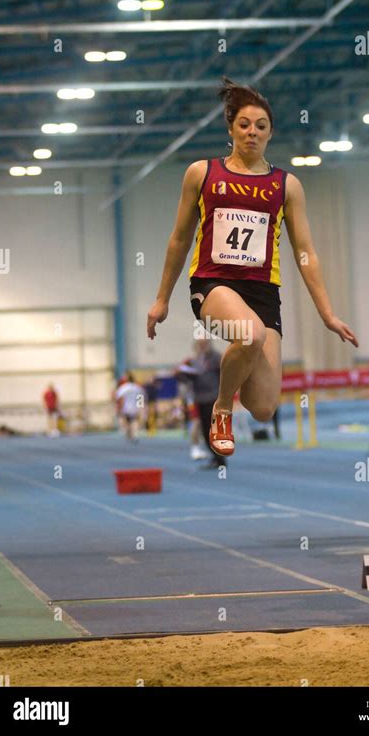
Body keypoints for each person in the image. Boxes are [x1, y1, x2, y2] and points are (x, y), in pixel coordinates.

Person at [147, 76, 358, 458]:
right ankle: (222, 408)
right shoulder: (202, 173)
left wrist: (327, 313)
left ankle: (239, 386)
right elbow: (179, 239)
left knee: (263, 408)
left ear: (271, 133)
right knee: (249, 334)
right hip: (213, 285)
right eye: (244, 125)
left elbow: (305, 251)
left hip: (263, 292)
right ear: (230, 129)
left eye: (261, 127)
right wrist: (161, 299)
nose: (251, 133)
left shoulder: (286, 185)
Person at [176, 340, 223, 468]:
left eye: (204, 345)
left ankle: (220, 458)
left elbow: (225, 373)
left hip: (213, 398)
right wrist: (182, 374)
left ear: (209, 345)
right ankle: (215, 457)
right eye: (199, 345)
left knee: (214, 430)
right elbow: (186, 379)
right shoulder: (195, 360)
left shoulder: (216, 358)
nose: (201, 347)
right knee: (205, 430)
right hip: (200, 398)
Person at [115, 373, 145, 442]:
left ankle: (129, 434)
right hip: (134, 407)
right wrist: (140, 407)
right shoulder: (137, 387)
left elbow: (119, 398)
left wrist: (119, 408)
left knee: (128, 421)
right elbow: (140, 396)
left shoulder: (123, 387)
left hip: (126, 407)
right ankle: (135, 434)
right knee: (134, 421)